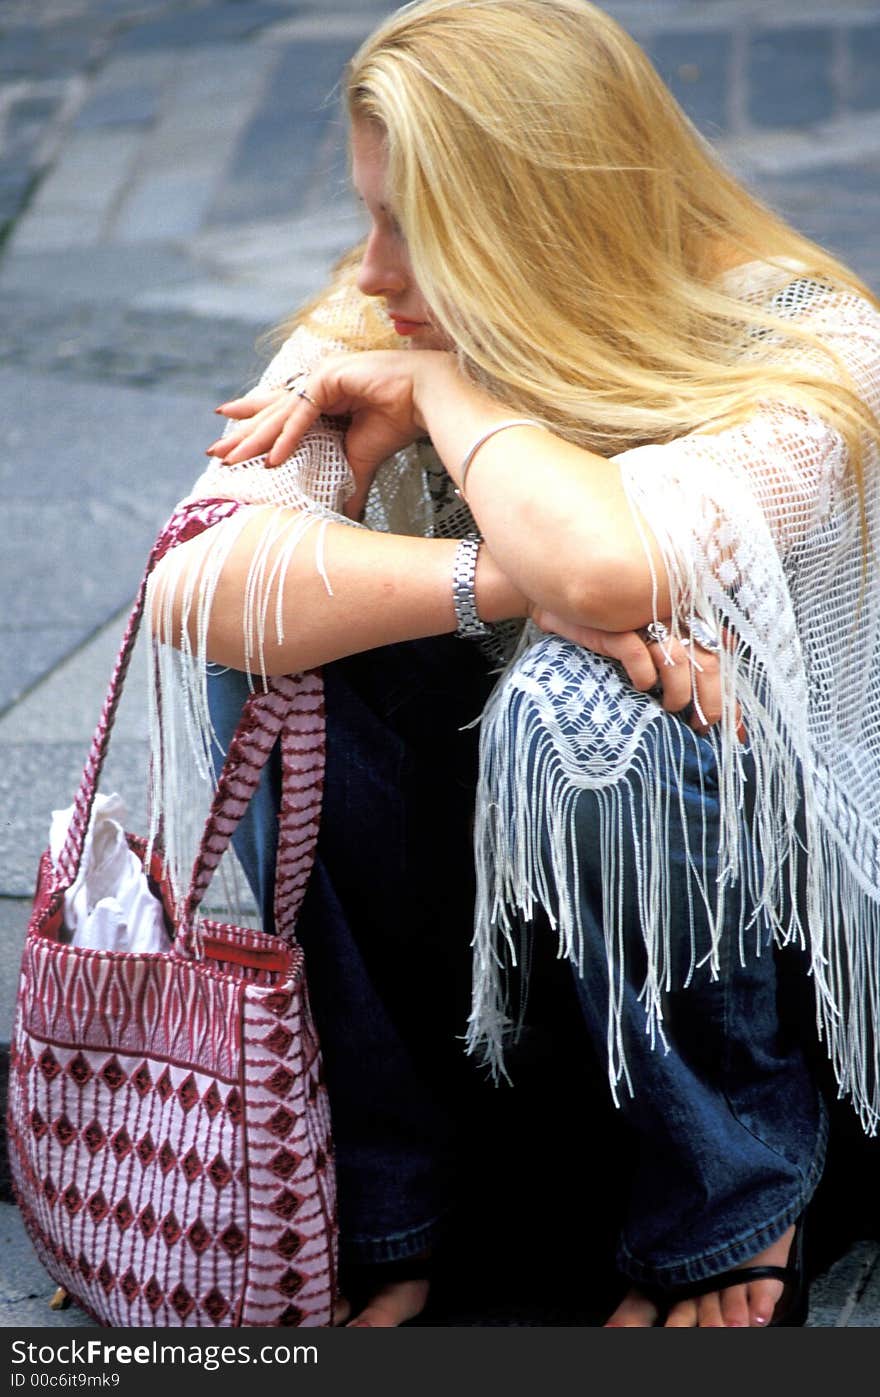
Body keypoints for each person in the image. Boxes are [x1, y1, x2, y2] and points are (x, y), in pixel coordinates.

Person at [147, 0, 880, 1327]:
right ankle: (394, 1211)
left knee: (593, 695)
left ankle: (730, 1202)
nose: (370, 277)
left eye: (412, 230)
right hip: (494, 969)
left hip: (757, 980)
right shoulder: (394, 313)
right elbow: (196, 580)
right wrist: (480, 578)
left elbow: (603, 572)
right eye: (369, 218)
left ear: (544, 223)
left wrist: (445, 398)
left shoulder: (814, 348)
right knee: (283, 655)